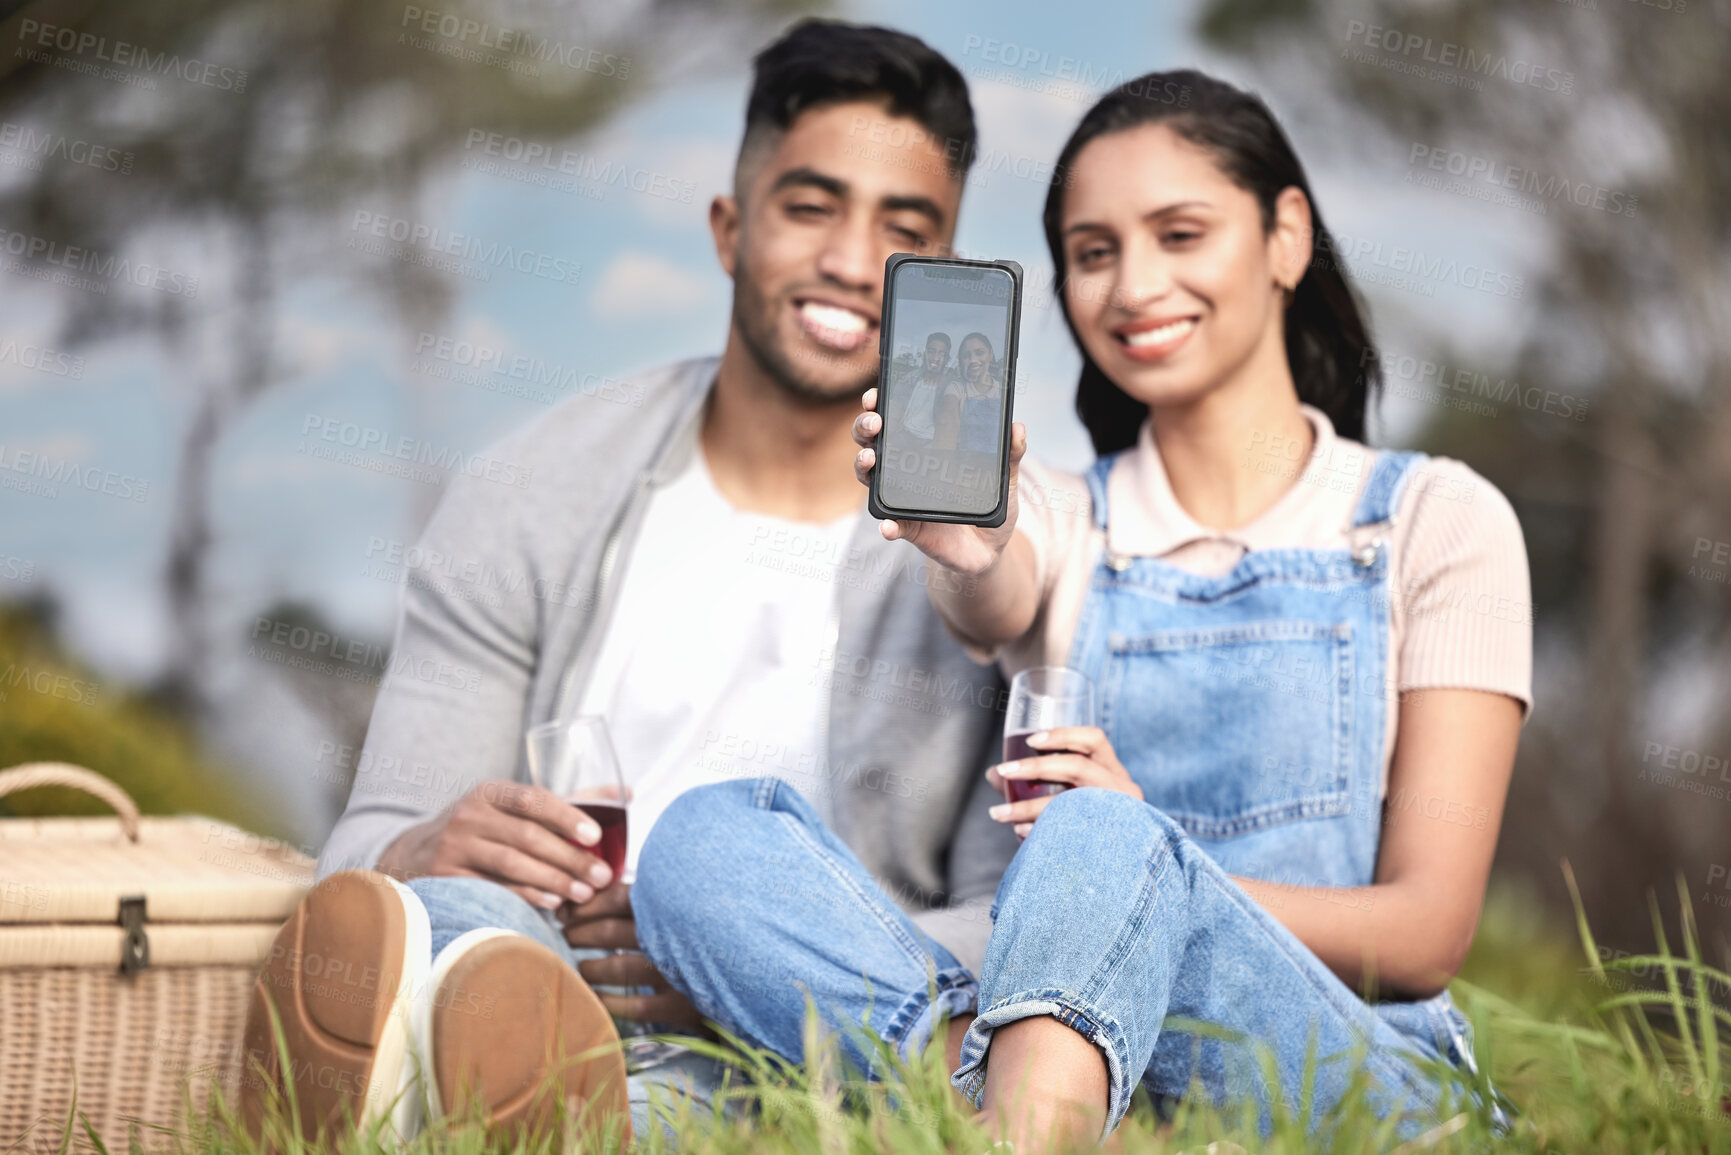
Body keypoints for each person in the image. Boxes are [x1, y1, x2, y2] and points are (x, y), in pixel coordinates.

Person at [630, 69, 1531, 1151]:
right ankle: (1011, 1105)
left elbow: (1427, 933)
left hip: (1344, 1063)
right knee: (701, 839)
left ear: (1286, 236)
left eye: (1180, 233)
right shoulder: (1064, 517)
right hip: (1077, 1039)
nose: (1134, 285)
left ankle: (959, 1090)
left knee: (1100, 836)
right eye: (1093, 253)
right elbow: (995, 583)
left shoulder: (1435, 520)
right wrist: (971, 543)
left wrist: (1145, 873)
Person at [240, 19, 1019, 1144]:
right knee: (459, 916)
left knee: (692, 1099)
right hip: (536, 976)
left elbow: (1019, 924)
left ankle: (482, 1113)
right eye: (811, 208)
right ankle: (498, 1081)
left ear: (943, 269)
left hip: (792, 1040)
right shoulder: (527, 495)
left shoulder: (986, 551)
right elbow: (364, 857)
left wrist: (748, 957)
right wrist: (424, 849)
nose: (854, 262)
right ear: (729, 229)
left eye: (905, 230)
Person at [932, 331, 1001, 452]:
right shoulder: (956, 388)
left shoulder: (1003, 392)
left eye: (979, 353)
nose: (973, 360)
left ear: (991, 354)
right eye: (966, 356)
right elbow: (947, 419)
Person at [894, 331, 956, 445]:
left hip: (930, 443)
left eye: (941, 354)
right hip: (903, 436)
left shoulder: (950, 387)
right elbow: (894, 412)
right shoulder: (908, 380)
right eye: (931, 352)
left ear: (947, 359)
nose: (935, 358)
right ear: (925, 354)